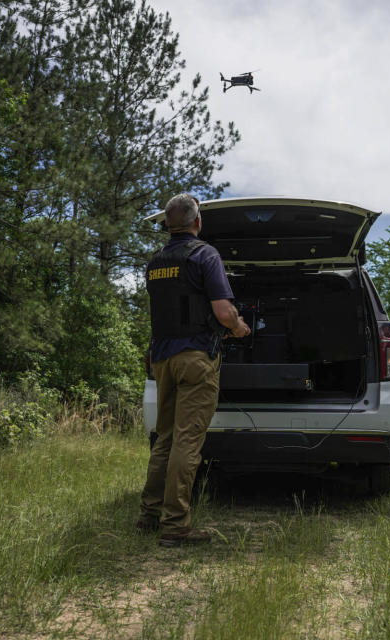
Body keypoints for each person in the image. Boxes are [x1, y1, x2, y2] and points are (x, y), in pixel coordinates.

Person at [137, 193, 250, 547]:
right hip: (195, 358)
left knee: (165, 437)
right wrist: (239, 328)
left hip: (162, 359)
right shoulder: (204, 255)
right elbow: (223, 311)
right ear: (197, 222)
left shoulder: (156, 262)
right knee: (188, 440)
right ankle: (175, 527)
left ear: (168, 225)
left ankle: (149, 513)